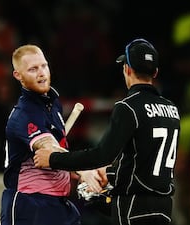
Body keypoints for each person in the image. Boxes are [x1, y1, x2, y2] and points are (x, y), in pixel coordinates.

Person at [34, 38, 181, 225]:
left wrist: (53, 159)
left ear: (127, 69)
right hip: (164, 209)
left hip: (134, 207)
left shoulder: (128, 107)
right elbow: (144, 160)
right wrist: (111, 173)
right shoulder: (172, 109)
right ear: (155, 72)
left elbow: (101, 155)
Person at [0, 44, 106, 225]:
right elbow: (49, 150)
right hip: (30, 203)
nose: (41, 73)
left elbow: (56, 161)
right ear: (19, 76)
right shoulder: (23, 114)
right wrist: (83, 169)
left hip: (58, 203)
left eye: (43, 66)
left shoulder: (54, 105)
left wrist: (83, 173)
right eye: (33, 69)